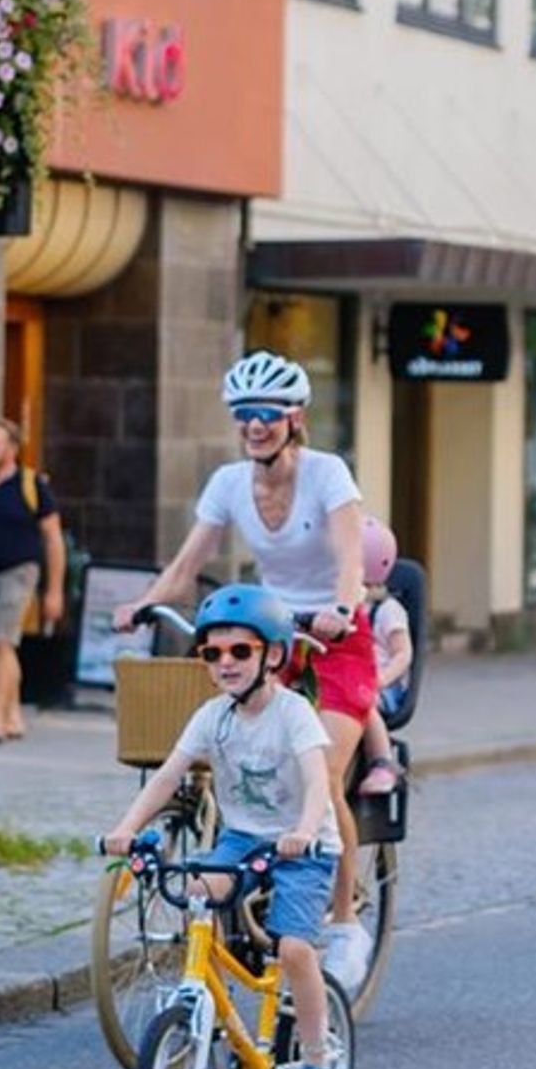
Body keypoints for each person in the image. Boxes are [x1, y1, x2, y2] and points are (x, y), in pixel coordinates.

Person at [113, 351, 379, 988]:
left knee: (325, 768)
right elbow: (185, 565)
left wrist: (342, 607)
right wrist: (146, 602)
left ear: (294, 417)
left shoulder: (327, 474)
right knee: (236, 748)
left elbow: (350, 558)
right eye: (243, 415)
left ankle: (343, 922)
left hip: (335, 638)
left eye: (265, 414)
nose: (254, 426)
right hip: (271, 634)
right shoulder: (230, 484)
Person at [100, 585, 341, 1069]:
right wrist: (125, 829)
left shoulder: (294, 713)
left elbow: (317, 781)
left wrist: (303, 828)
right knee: (194, 891)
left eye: (240, 651)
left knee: (296, 950)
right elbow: (167, 777)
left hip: (303, 845)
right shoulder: (212, 716)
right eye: (212, 653)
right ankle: (202, 1004)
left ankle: (318, 1063)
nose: (225, 663)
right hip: (240, 839)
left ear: (273, 655)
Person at [0, 419, 64, 744]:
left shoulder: (32, 485)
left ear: (11, 449)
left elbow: (53, 539)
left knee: (0, 642)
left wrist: (54, 591)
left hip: (19, 572)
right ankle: (14, 712)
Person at [355, 517, 411, 798]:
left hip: (379, 687)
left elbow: (403, 653)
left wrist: (381, 679)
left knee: (360, 700)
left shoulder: (386, 610)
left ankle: (382, 762)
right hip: (344, 676)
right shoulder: (339, 603)